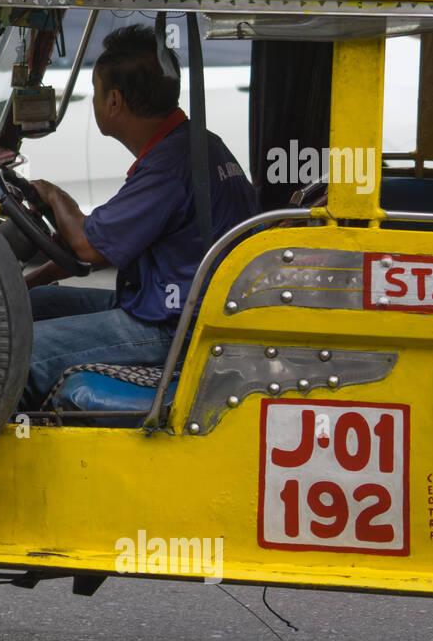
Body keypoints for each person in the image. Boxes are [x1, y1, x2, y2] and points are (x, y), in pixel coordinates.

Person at [19, 24, 260, 409]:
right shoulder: (193, 144)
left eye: (96, 93)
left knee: (12, 355)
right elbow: (102, 242)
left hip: (173, 329)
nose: (95, 102)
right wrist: (28, 283)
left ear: (114, 102)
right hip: (168, 306)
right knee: (34, 304)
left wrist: (54, 195)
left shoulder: (169, 166)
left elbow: (87, 246)